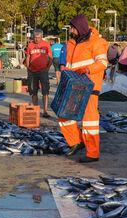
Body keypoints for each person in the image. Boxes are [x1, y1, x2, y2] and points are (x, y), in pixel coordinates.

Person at [58, 14, 108, 163]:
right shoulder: (72, 43)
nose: (71, 31)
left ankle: (92, 154)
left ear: (80, 28)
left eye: (73, 28)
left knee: (90, 121)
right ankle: (76, 142)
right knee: (63, 114)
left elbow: (103, 63)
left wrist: (86, 69)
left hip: (89, 87)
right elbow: (69, 65)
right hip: (74, 86)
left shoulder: (97, 42)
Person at [26, 29, 53, 118]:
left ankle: (45, 111)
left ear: (41, 37)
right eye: (35, 38)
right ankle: (36, 109)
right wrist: (28, 67)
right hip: (32, 71)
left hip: (43, 71)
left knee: (45, 91)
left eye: (38, 38)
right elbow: (28, 57)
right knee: (33, 91)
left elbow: (50, 57)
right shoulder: (30, 45)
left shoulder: (46, 44)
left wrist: (47, 68)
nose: (36, 39)